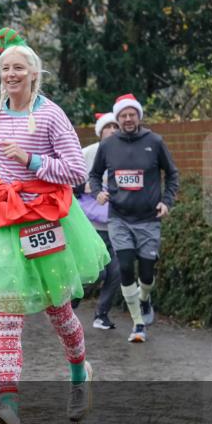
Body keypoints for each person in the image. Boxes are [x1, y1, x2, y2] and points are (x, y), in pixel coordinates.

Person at [0, 27, 109, 424]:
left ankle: (79, 376)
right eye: (5, 68)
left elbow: (77, 171)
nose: (11, 74)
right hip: (6, 223)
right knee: (7, 315)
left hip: (46, 221)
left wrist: (30, 159)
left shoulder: (50, 114)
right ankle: (8, 407)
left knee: (60, 313)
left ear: (33, 73)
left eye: (19, 68)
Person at [89, 94, 179, 343]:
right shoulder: (108, 146)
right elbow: (94, 175)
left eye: (132, 114)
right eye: (123, 115)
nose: (128, 119)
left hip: (149, 218)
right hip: (119, 217)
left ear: (139, 116)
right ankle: (138, 323)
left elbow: (172, 174)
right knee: (126, 266)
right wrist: (98, 193)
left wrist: (167, 201)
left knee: (147, 273)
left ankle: (144, 297)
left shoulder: (155, 141)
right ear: (118, 119)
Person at [77, 112, 122, 331]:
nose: (113, 130)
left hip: (117, 221)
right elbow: (68, 182)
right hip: (90, 223)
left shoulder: (126, 153)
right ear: (100, 131)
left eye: (116, 126)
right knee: (97, 271)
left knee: (117, 270)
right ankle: (73, 298)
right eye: (108, 127)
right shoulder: (87, 153)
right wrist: (85, 188)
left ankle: (101, 314)